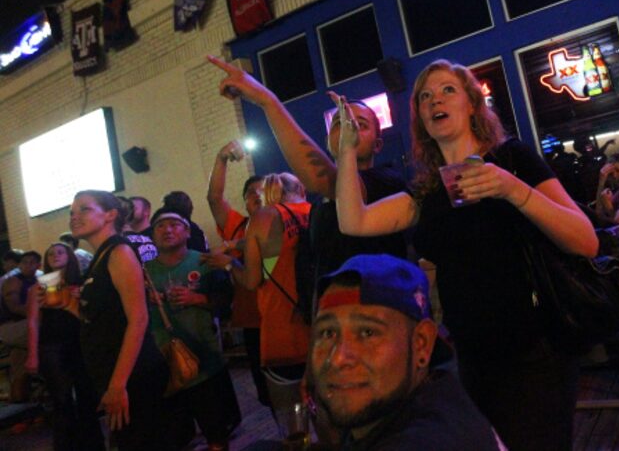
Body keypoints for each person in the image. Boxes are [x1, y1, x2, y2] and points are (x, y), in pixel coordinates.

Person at [333, 59, 598, 450]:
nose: (434, 100)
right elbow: (353, 221)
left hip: (535, 350)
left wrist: (512, 190)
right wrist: (345, 153)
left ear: (472, 104)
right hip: (472, 355)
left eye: (447, 90)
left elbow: (585, 240)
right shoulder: (427, 191)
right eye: (424, 96)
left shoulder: (512, 159)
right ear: (421, 118)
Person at [207, 55, 408, 273]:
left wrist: (267, 100)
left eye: (360, 124)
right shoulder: (318, 209)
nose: (349, 128)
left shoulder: (388, 181)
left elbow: (323, 179)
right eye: (339, 122)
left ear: (378, 145)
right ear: (327, 142)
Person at [309, 254, 506, 450]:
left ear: (422, 343)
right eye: (327, 333)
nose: (338, 358)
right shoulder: (439, 396)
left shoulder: (426, 440)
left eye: (368, 333)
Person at [204, 172, 311, 438]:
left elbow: (251, 281)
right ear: (300, 187)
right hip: (322, 329)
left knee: (293, 424)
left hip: (282, 333)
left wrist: (230, 262)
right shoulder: (317, 212)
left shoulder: (263, 218)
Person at [70, 190, 169, 450]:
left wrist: (117, 385)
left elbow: (138, 319)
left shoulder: (119, 253)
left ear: (110, 215)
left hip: (133, 376)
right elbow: (99, 318)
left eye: (84, 209)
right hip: (115, 373)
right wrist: (66, 304)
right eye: (72, 212)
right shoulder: (100, 258)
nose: (75, 216)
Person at [145, 208, 239, 451]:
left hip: (205, 362)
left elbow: (227, 304)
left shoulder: (206, 263)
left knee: (216, 433)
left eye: (174, 224)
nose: (167, 230)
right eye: (160, 226)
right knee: (174, 437)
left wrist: (196, 299)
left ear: (187, 231)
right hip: (164, 366)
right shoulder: (141, 273)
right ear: (152, 236)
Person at [206, 139, 269, 407]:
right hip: (253, 319)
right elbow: (214, 198)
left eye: (265, 191)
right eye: (251, 193)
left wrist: (231, 256)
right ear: (244, 202)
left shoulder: (287, 223)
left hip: (287, 317)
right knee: (267, 390)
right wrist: (221, 158)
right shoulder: (237, 226)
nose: (258, 196)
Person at [25, 242, 104, 451]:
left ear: (70, 256)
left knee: (87, 396)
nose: (55, 255)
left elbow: (91, 318)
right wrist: (32, 354)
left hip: (80, 342)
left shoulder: (81, 284)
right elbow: (33, 321)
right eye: (50, 253)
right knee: (61, 399)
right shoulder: (38, 287)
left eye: (60, 252)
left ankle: (93, 445)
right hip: (52, 344)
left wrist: (74, 299)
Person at [0, 250, 41, 401]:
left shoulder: (40, 279)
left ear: (38, 265)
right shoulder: (12, 282)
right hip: (12, 326)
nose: (28, 265)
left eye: (32, 262)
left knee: (20, 356)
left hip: (25, 327)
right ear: (19, 264)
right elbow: (15, 307)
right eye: (25, 262)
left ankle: (21, 401)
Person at [594, 152, 619, 223]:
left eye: (618, 171)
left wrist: (609, 207)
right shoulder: (617, 193)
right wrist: (601, 182)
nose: (614, 176)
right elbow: (599, 215)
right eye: (611, 173)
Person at [120, 196, 159, 264]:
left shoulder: (157, 234)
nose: (128, 211)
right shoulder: (123, 236)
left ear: (146, 211)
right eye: (126, 208)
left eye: (133, 208)